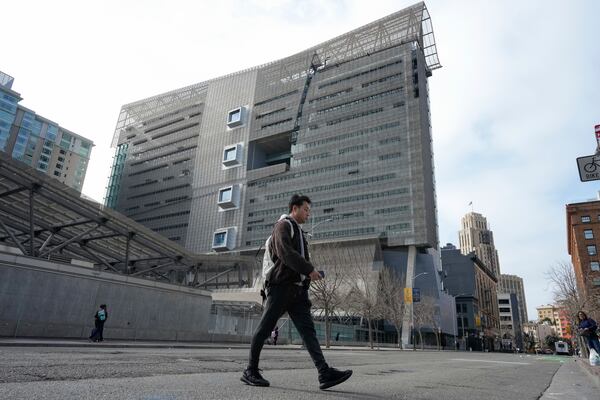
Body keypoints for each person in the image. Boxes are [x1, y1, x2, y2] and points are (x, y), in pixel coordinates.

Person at [241, 194, 352, 390]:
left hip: (297, 291)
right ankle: (250, 371)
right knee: (266, 328)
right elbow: (285, 253)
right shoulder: (284, 225)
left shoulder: (299, 232)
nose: (308, 214)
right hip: (280, 287)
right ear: (295, 208)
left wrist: (307, 277)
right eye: (306, 209)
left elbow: (296, 258)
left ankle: (324, 373)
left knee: (308, 332)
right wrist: (309, 269)